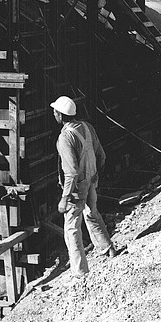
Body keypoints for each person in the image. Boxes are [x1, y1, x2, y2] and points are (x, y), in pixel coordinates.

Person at [52, 95, 119, 276]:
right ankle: (108, 249)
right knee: (92, 214)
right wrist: (94, 175)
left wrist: (65, 198)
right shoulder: (87, 128)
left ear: (60, 115)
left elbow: (71, 172)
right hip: (91, 180)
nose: (53, 114)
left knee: (72, 227)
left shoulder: (66, 137)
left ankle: (80, 271)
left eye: (55, 111)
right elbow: (101, 156)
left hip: (76, 188)